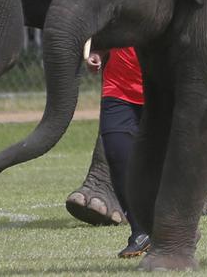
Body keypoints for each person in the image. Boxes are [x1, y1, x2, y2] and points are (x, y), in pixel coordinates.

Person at [86, 47, 151, 257]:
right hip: (118, 89)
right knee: (117, 156)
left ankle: (177, 227)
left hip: (161, 91)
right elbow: (107, 29)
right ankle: (140, 231)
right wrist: (97, 52)